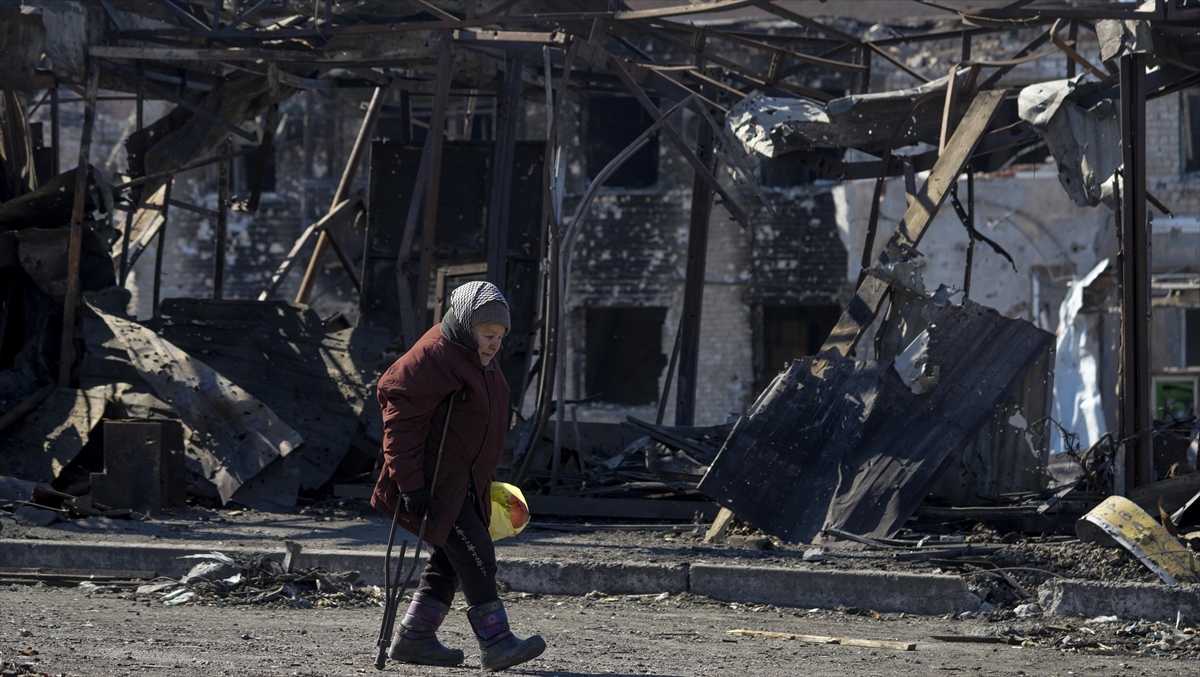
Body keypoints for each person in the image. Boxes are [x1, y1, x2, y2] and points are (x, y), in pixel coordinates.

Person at [370, 281, 545, 671]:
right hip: (435, 484)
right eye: (487, 335)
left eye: (500, 336)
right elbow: (400, 422)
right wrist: (410, 485)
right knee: (477, 555)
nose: (494, 344)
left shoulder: (475, 354)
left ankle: (414, 638)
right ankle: (497, 641)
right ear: (466, 325)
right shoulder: (433, 356)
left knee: (449, 562)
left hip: (466, 481)